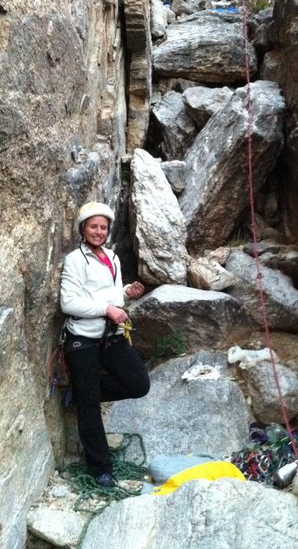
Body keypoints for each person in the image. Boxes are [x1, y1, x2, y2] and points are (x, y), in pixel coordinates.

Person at [60, 201, 150, 487]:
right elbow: (68, 303)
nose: (98, 231)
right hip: (83, 339)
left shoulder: (111, 257)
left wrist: (126, 292)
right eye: (93, 226)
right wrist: (106, 310)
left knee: (139, 383)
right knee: (89, 405)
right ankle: (101, 469)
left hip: (110, 336)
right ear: (83, 229)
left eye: (103, 227)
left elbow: (113, 295)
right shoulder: (75, 260)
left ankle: (83, 391)